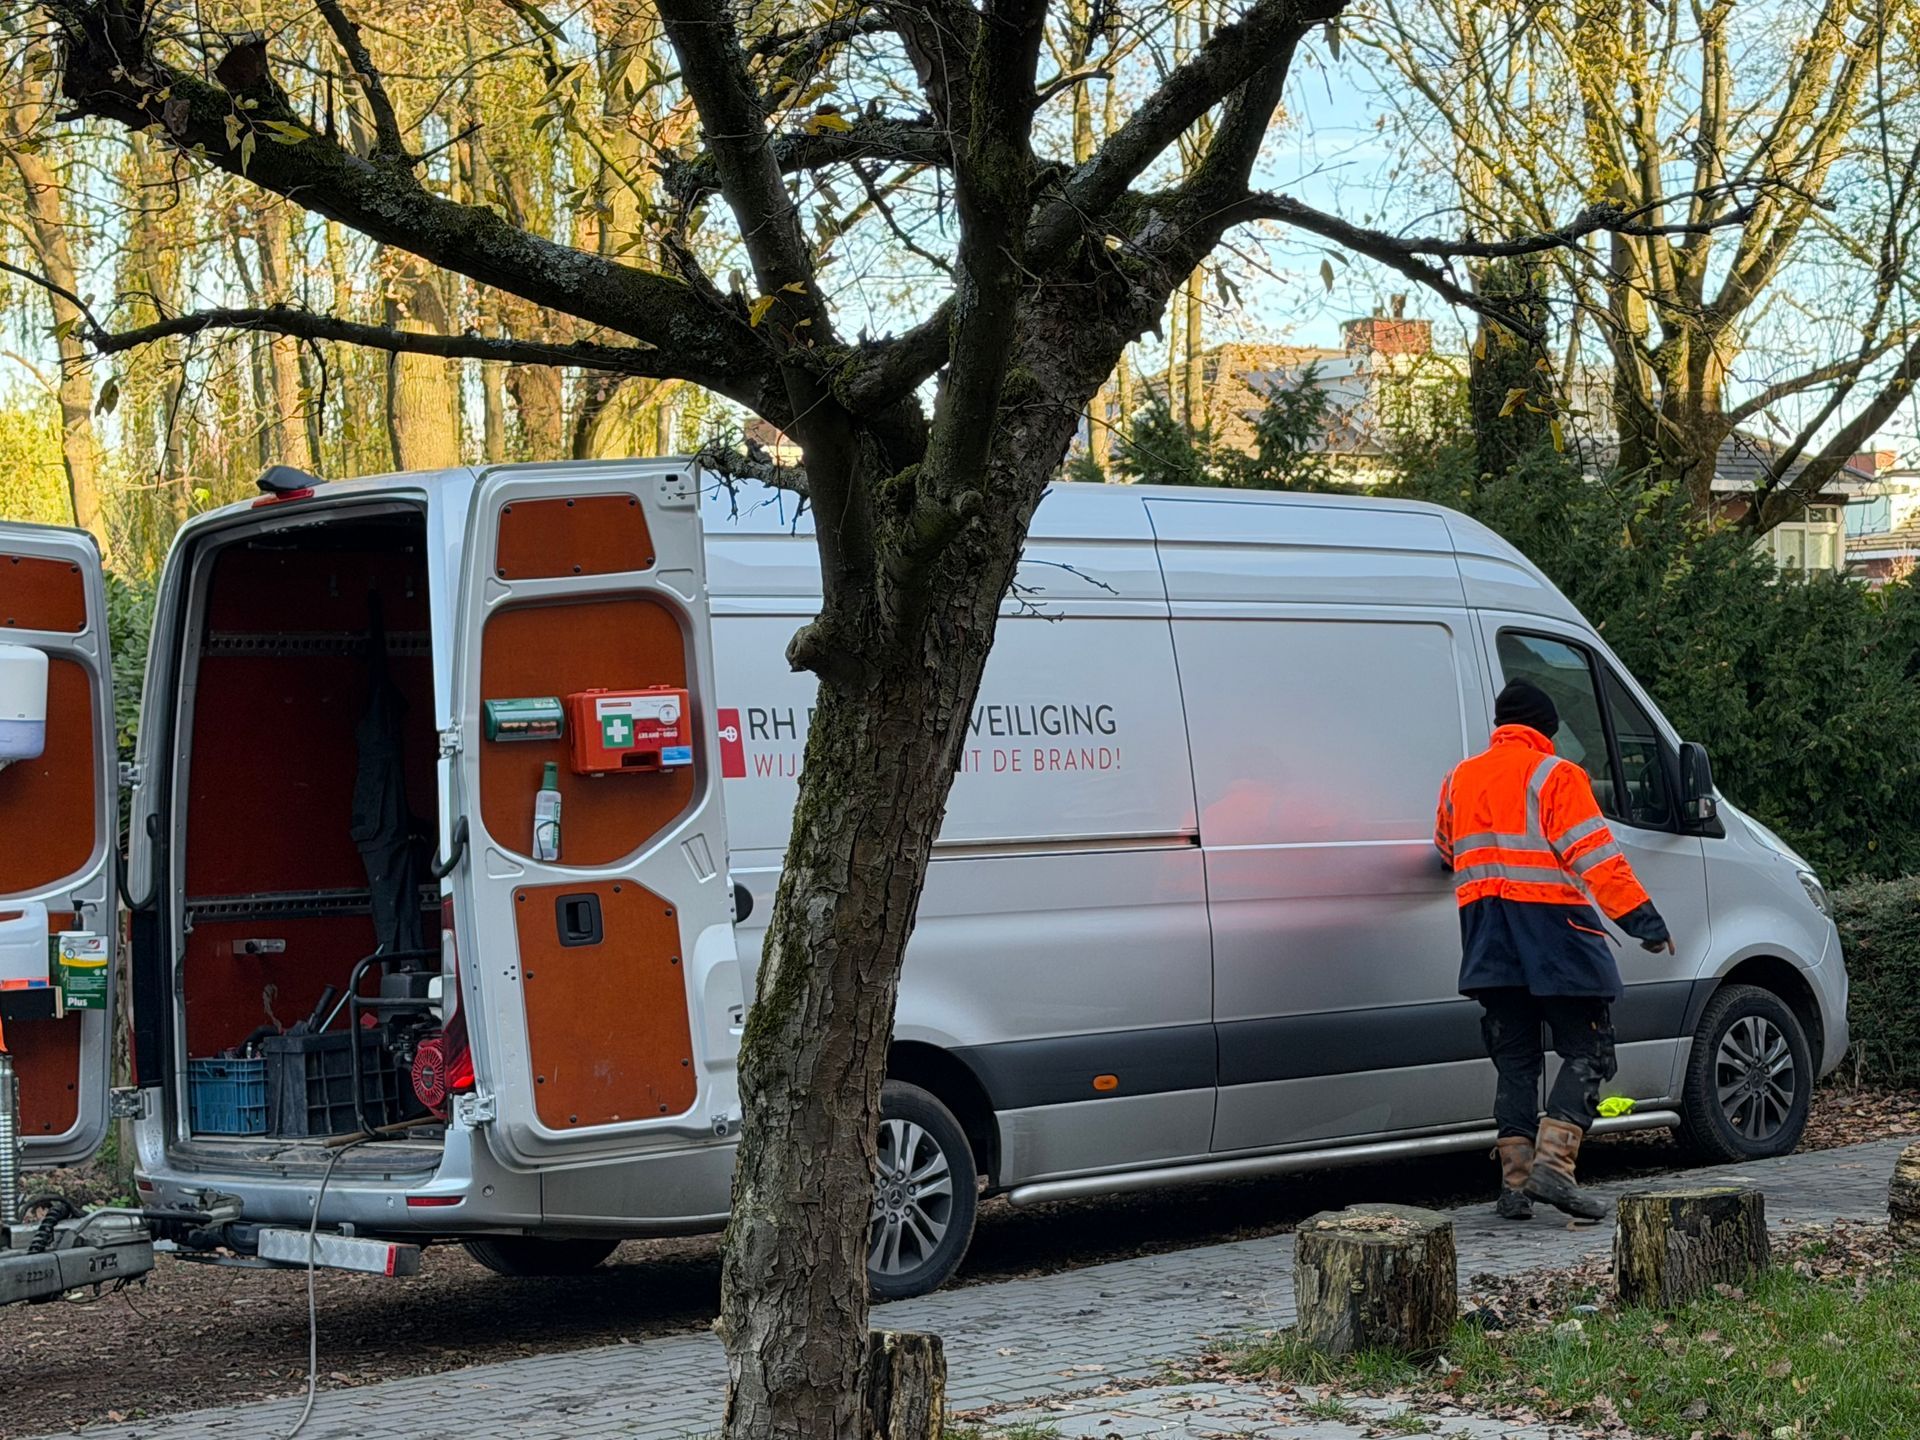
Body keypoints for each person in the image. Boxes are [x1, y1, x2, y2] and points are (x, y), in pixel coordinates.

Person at [1434, 678, 1674, 1221]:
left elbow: (1446, 849)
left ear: (1500, 727)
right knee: (1589, 1049)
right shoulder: (1556, 774)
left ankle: (1515, 1186)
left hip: (1488, 939)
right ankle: (1555, 1170)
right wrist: (1644, 921)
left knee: (1516, 1062)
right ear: (1545, 727)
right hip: (1555, 934)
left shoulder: (1459, 779)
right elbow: (1597, 858)